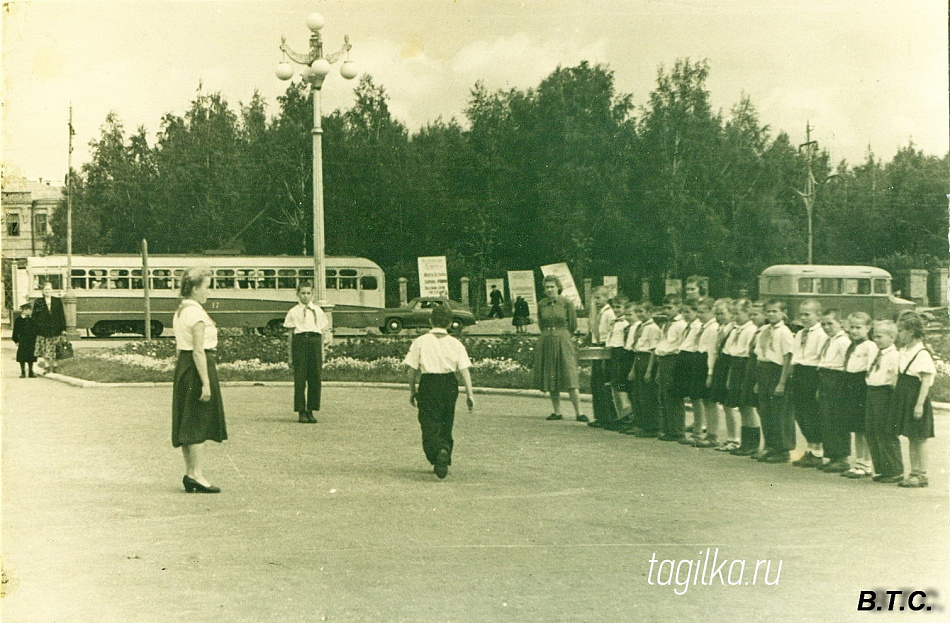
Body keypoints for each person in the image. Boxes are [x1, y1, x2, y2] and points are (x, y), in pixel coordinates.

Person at [172, 267, 227, 493]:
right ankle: (196, 475)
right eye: (207, 286)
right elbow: (198, 351)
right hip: (197, 368)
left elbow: (180, 349)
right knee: (197, 421)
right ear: (195, 288)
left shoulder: (181, 311)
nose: (209, 292)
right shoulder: (196, 314)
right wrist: (205, 382)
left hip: (185, 368)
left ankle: (190, 472)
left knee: (189, 421)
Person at [404, 303, 475, 479]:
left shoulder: (420, 341)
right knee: (446, 420)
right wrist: (470, 394)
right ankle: (444, 449)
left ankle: (437, 451)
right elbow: (465, 369)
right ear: (450, 323)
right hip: (449, 384)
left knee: (428, 422)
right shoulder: (455, 343)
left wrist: (412, 390)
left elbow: (411, 370)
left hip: (428, 384)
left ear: (430, 321)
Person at [533, 275, 586, 422]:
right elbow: (540, 323)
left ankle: (579, 412)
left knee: (569, 375)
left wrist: (562, 334)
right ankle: (557, 411)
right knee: (551, 375)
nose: (549, 290)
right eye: (547, 287)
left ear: (558, 287)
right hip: (547, 339)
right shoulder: (542, 304)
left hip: (563, 338)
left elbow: (573, 325)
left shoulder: (566, 303)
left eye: (552, 287)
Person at [895, 313, 936, 488]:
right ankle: (914, 471)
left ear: (911, 332)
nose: (898, 334)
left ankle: (922, 474)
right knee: (911, 437)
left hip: (916, 398)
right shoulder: (904, 350)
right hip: (905, 397)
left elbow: (926, 381)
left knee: (920, 437)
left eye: (901, 331)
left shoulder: (921, 353)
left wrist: (919, 404)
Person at [753, 300, 795, 463]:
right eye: (769, 311)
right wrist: (758, 381)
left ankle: (782, 449)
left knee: (779, 412)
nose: (771, 314)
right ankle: (770, 445)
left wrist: (782, 382)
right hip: (764, 371)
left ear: (783, 312)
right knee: (765, 411)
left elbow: (787, 358)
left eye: (775, 311)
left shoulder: (784, 332)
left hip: (777, 372)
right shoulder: (765, 330)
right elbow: (760, 355)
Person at [284, 280, 331, 423]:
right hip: (300, 343)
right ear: (297, 294)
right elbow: (291, 335)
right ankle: (301, 411)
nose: (305, 296)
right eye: (302, 293)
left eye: (308, 293)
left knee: (315, 378)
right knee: (300, 378)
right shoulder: (293, 311)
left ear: (312, 294)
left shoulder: (318, 311)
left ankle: (311, 410)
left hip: (315, 343)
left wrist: (322, 352)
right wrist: (290, 355)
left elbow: (322, 333)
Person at [789, 300, 828, 468]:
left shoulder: (821, 334)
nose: (803, 318)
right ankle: (810, 449)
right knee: (800, 413)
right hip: (799, 372)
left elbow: (822, 358)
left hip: (812, 374)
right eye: (801, 314)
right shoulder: (800, 334)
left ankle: (817, 453)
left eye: (807, 314)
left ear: (818, 315)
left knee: (812, 413)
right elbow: (795, 355)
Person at [864, 320, 903, 483]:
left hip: (885, 394)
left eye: (879, 336)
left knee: (885, 431)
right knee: (871, 430)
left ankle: (894, 470)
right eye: (874, 336)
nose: (876, 339)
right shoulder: (877, 352)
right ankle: (882, 468)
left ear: (892, 337)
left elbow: (896, 378)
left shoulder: (894, 355)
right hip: (872, 392)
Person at [840, 312, 878, 478]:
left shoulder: (870, 346)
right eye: (852, 327)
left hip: (862, 385)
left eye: (858, 327)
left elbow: (871, 368)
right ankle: (858, 462)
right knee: (856, 427)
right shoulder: (852, 345)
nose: (854, 331)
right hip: (851, 384)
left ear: (868, 328)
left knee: (864, 428)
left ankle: (867, 464)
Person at [816, 309, 852, 473]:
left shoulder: (843, 341)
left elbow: (847, 363)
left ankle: (842, 458)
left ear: (840, 323)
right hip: (825, 378)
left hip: (836, 379)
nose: (826, 327)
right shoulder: (829, 340)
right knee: (827, 419)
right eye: (823, 324)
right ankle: (832, 456)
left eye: (830, 323)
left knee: (837, 419)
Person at [651, 294, 688, 441]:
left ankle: (677, 430)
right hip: (663, 358)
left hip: (673, 359)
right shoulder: (666, 324)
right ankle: (667, 428)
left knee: (673, 395)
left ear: (678, 307)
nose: (667, 310)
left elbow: (680, 344)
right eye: (665, 307)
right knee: (664, 394)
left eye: (670, 307)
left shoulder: (681, 324)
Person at [625, 302, 662, 437]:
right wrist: (633, 370)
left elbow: (653, 350)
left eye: (642, 311)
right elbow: (637, 350)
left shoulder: (653, 328)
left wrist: (648, 370)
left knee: (648, 396)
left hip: (648, 360)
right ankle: (641, 424)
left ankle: (653, 427)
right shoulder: (640, 327)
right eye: (638, 312)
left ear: (650, 312)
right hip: (639, 358)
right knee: (638, 395)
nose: (640, 314)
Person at [588, 286, 618, 428]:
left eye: (598, 298)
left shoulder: (609, 314)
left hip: (605, 348)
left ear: (607, 297)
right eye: (593, 298)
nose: (596, 301)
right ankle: (600, 416)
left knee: (604, 383)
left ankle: (609, 417)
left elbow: (609, 334)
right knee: (596, 383)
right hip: (597, 347)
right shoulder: (598, 312)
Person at [605, 295, 633, 429]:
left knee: (621, 386)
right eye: (614, 307)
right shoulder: (615, 321)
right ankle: (620, 416)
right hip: (614, 353)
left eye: (619, 307)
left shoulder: (626, 323)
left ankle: (627, 418)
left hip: (623, 353)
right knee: (615, 385)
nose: (616, 310)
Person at [32, 281, 66, 374]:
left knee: (56, 348)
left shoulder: (57, 300)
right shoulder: (39, 302)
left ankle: (55, 366)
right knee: (45, 349)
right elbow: (35, 316)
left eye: (49, 289)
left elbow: (61, 315)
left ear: (52, 290)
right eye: (46, 289)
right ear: (42, 291)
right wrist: (36, 328)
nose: (47, 291)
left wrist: (63, 328)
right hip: (43, 329)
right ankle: (46, 366)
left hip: (56, 328)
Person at [12, 302, 38, 378]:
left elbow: (35, 330)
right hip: (22, 340)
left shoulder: (31, 319)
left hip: (31, 340)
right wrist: (16, 340)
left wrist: (36, 338)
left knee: (31, 355)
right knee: (22, 356)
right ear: (24, 310)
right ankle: (23, 371)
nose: (30, 312)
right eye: (29, 310)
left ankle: (30, 371)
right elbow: (15, 331)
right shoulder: (18, 320)